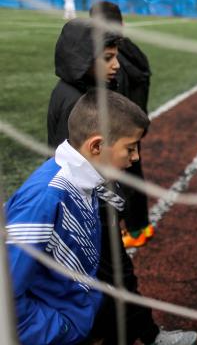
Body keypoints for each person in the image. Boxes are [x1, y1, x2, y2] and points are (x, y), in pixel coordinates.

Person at [47, 19, 197, 345]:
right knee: (119, 277)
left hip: (86, 206)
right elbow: (86, 165)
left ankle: (133, 332)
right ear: (81, 58)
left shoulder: (75, 90)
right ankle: (150, 336)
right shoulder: (79, 102)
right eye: (108, 58)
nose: (116, 65)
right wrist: (108, 209)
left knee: (104, 281)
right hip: (89, 209)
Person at [5, 89, 149, 344]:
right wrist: (61, 329)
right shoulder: (45, 199)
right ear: (96, 145)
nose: (135, 157)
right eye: (130, 148)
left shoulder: (85, 180)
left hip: (79, 313)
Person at [89, 1, 154, 249]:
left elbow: (117, 96)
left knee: (120, 180)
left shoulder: (115, 59)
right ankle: (142, 226)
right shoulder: (132, 50)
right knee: (134, 175)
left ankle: (134, 228)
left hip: (121, 129)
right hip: (135, 124)